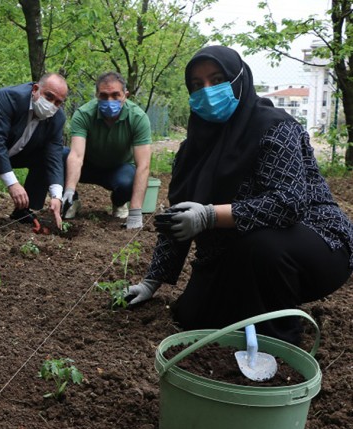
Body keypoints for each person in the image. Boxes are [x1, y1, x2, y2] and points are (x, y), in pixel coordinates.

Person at [124, 45, 353, 345]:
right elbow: (178, 216)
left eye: (217, 79)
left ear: (239, 80)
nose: (207, 91)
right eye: (197, 85)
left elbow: (289, 203)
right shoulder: (191, 150)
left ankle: (279, 341)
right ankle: (249, 312)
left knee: (261, 246)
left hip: (312, 244)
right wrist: (152, 280)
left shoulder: (276, 127)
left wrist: (209, 216)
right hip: (234, 252)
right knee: (191, 316)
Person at [0, 73, 69, 228]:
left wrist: (56, 196)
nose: (51, 104)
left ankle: (24, 209)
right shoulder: (9, 97)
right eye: (49, 96)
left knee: (61, 154)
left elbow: (54, 155)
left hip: (14, 150)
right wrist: (13, 184)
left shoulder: (57, 118)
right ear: (35, 89)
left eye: (58, 102)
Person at [63, 72, 152, 229]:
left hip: (118, 169)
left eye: (115, 95)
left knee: (128, 181)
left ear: (125, 95)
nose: (109, 100)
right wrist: (69, 189)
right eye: (104, 96)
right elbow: (76, 156)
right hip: (87, 166)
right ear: (97, 95)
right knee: (60, 155)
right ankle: (72, 201)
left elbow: (143, 165)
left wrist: (136, 212)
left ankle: (119, 203)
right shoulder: (83, 114)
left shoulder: (138, 118)